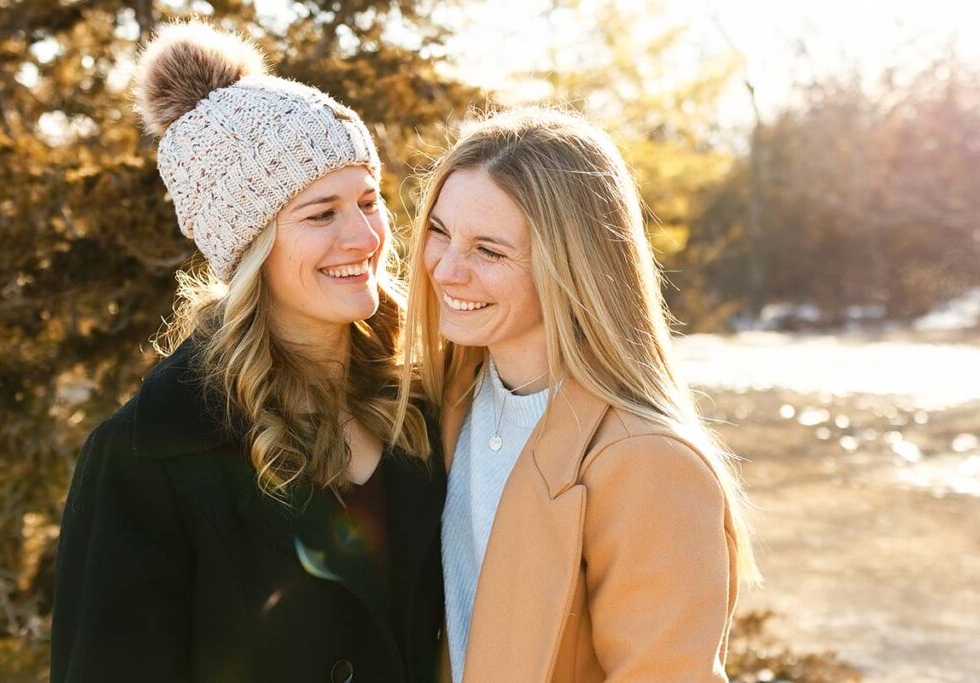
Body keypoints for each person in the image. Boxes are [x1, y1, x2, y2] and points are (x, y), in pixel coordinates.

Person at [51, 22, 444, 683]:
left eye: (368, 200)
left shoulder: (422, 402)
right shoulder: (146, 456)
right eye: (321, 214)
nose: (365, 236)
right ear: (251, 248)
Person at [395, 107, 761, 682]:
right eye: (439, 233)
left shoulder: (648, 463)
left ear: (573, 268)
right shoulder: (443, 402)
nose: (445, 270)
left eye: (489, 251)